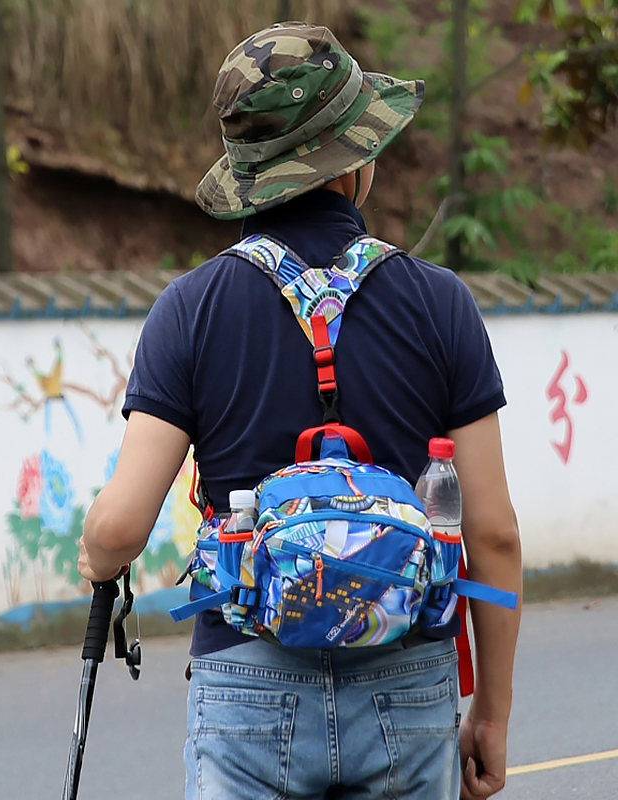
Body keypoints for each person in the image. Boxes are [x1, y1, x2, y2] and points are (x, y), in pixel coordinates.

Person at [78, 21, 522, 800]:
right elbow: (492, 534)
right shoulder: (440, 304)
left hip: (246, 686)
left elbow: (119, 529)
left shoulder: (190, 310)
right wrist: (490, 712)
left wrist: (97, 555)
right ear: (354, 162)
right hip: (409, 681)